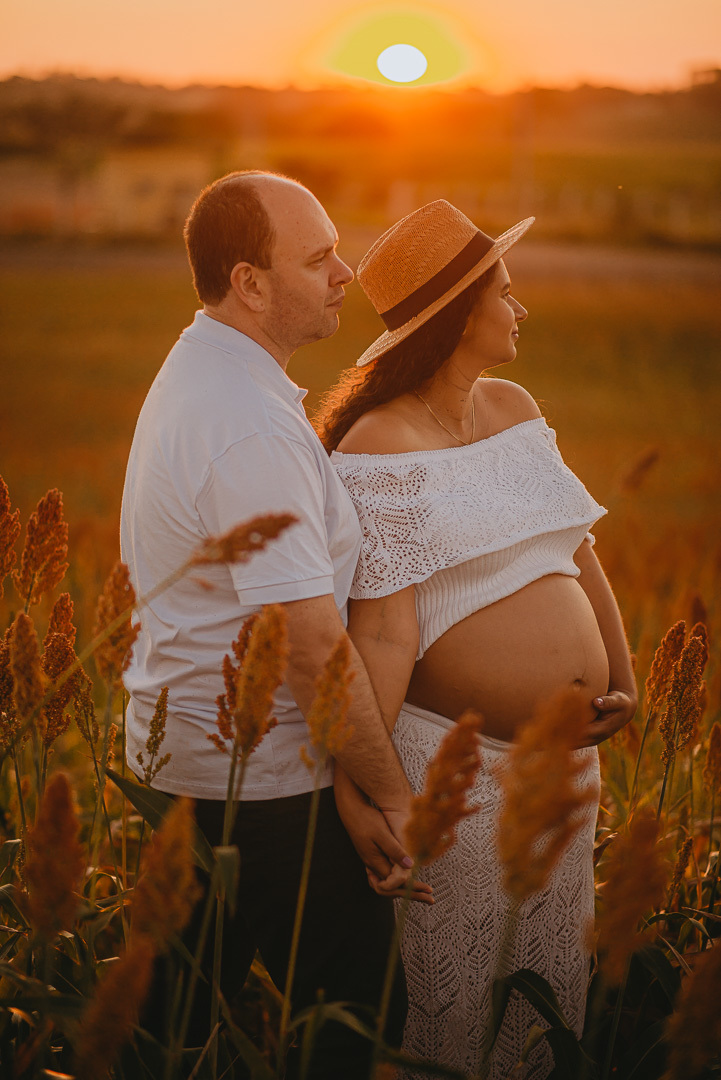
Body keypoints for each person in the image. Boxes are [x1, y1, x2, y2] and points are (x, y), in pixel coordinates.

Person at [314, 200, 637, 1078]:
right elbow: (378, 629)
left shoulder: (513, 404)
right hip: (459, 769)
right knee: (457, 1005)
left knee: (546, 989)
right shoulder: (378, 444)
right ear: (458, 315)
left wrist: (625, 672)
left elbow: (575, 544)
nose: (519, 306)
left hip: (567, 765)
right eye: (504, 290)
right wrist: (362, 784)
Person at [120, 170, 425, 1079]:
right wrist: (389, 793)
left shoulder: (216, 374)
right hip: (260, 787)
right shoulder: (244, 420)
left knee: (171, 1027)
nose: (345, 272)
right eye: (319, 256)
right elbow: (306, 642)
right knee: (359, 1024)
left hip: (209, 768)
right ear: (249, 282)